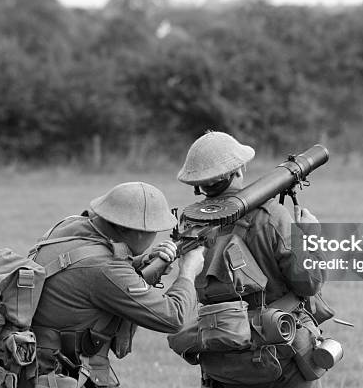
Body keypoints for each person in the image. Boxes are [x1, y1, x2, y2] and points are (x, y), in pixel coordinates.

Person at [176, 131, 325, 388]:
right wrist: (309, 236)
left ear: (198, 183)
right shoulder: (272, 215)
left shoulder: (190, 223)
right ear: (239, 169)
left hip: (221, 354)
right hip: (281, 354)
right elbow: (310, 283)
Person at [29, 182, 204, 388]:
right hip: (60, 374)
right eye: (153, 230)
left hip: (34, 364)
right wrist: (188, 271)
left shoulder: (70, 226)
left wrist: (143, 262)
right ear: (131, 229)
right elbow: (172, 318)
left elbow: (90, 271)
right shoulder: (105, 268)